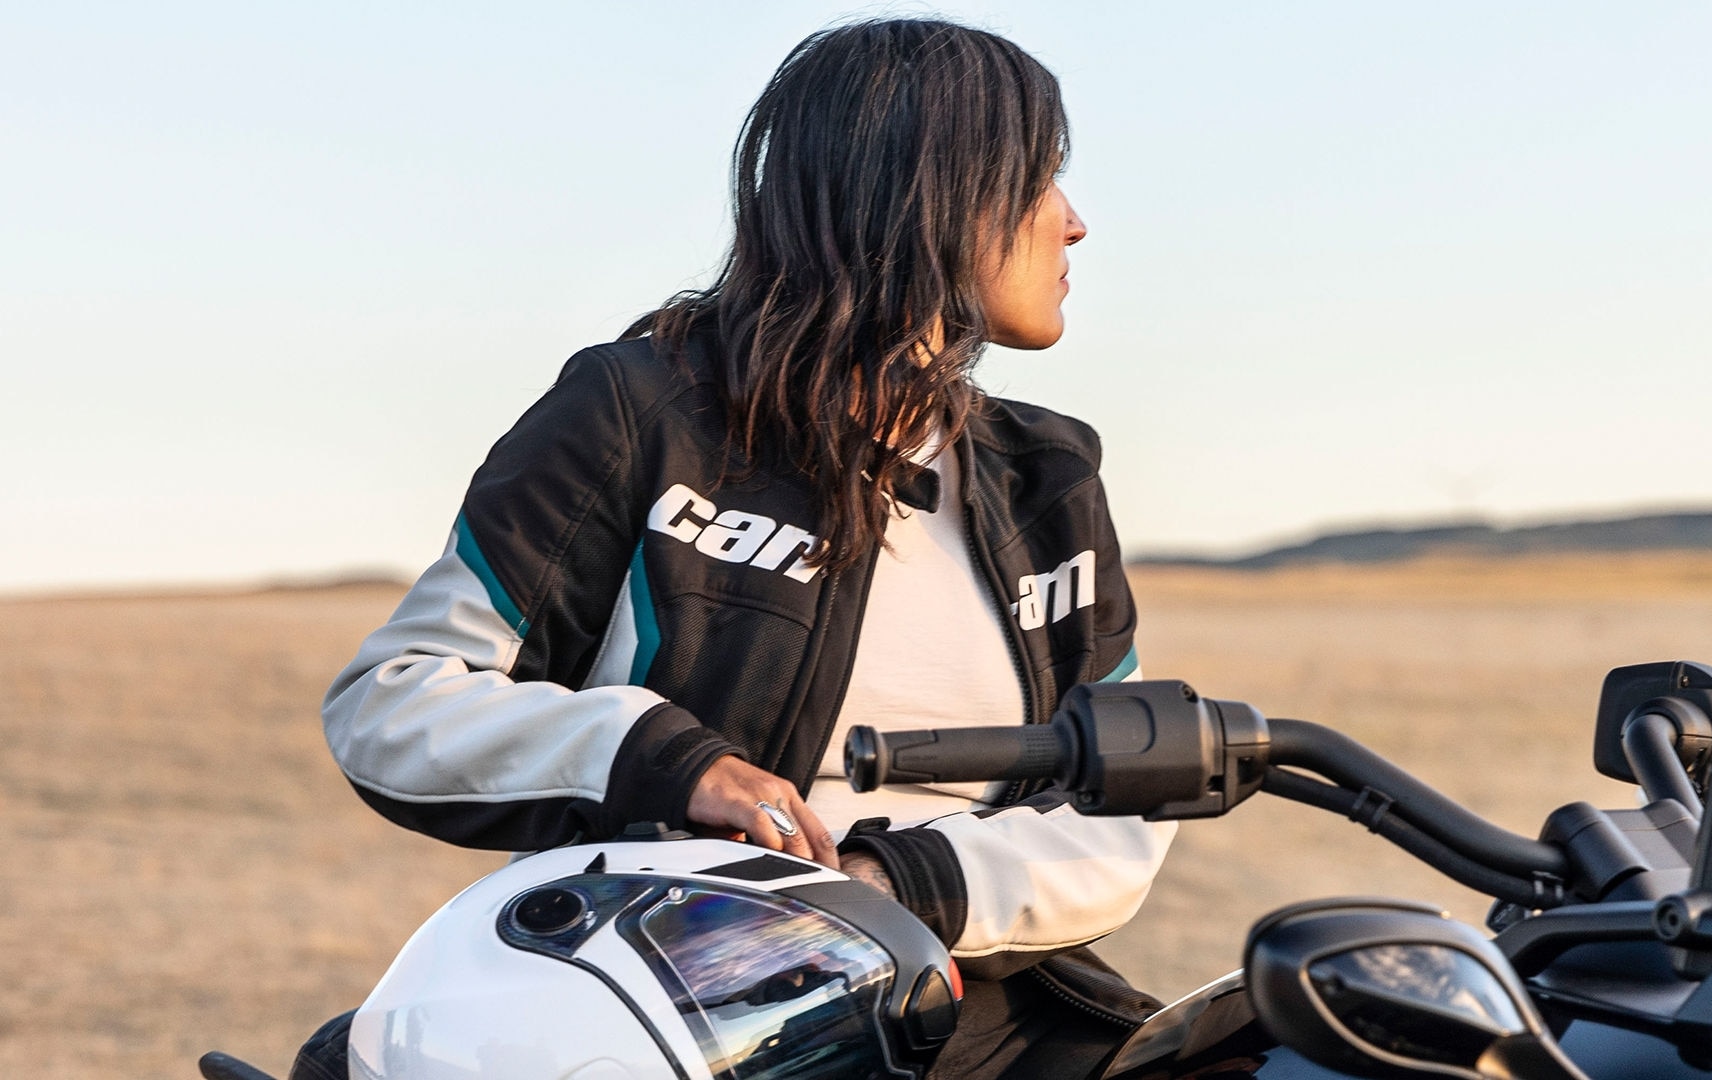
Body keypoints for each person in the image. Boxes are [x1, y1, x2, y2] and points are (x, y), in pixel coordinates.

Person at [318, 17, 1171, 1078]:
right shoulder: (643, 409)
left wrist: (885, 882)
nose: (1075, 223)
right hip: (678, 1011)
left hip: (984, 1011)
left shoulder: (1048, 477)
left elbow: (1123, 803)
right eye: (1039, 179)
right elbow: (394, 701)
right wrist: (672, 762)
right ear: (926, 190)